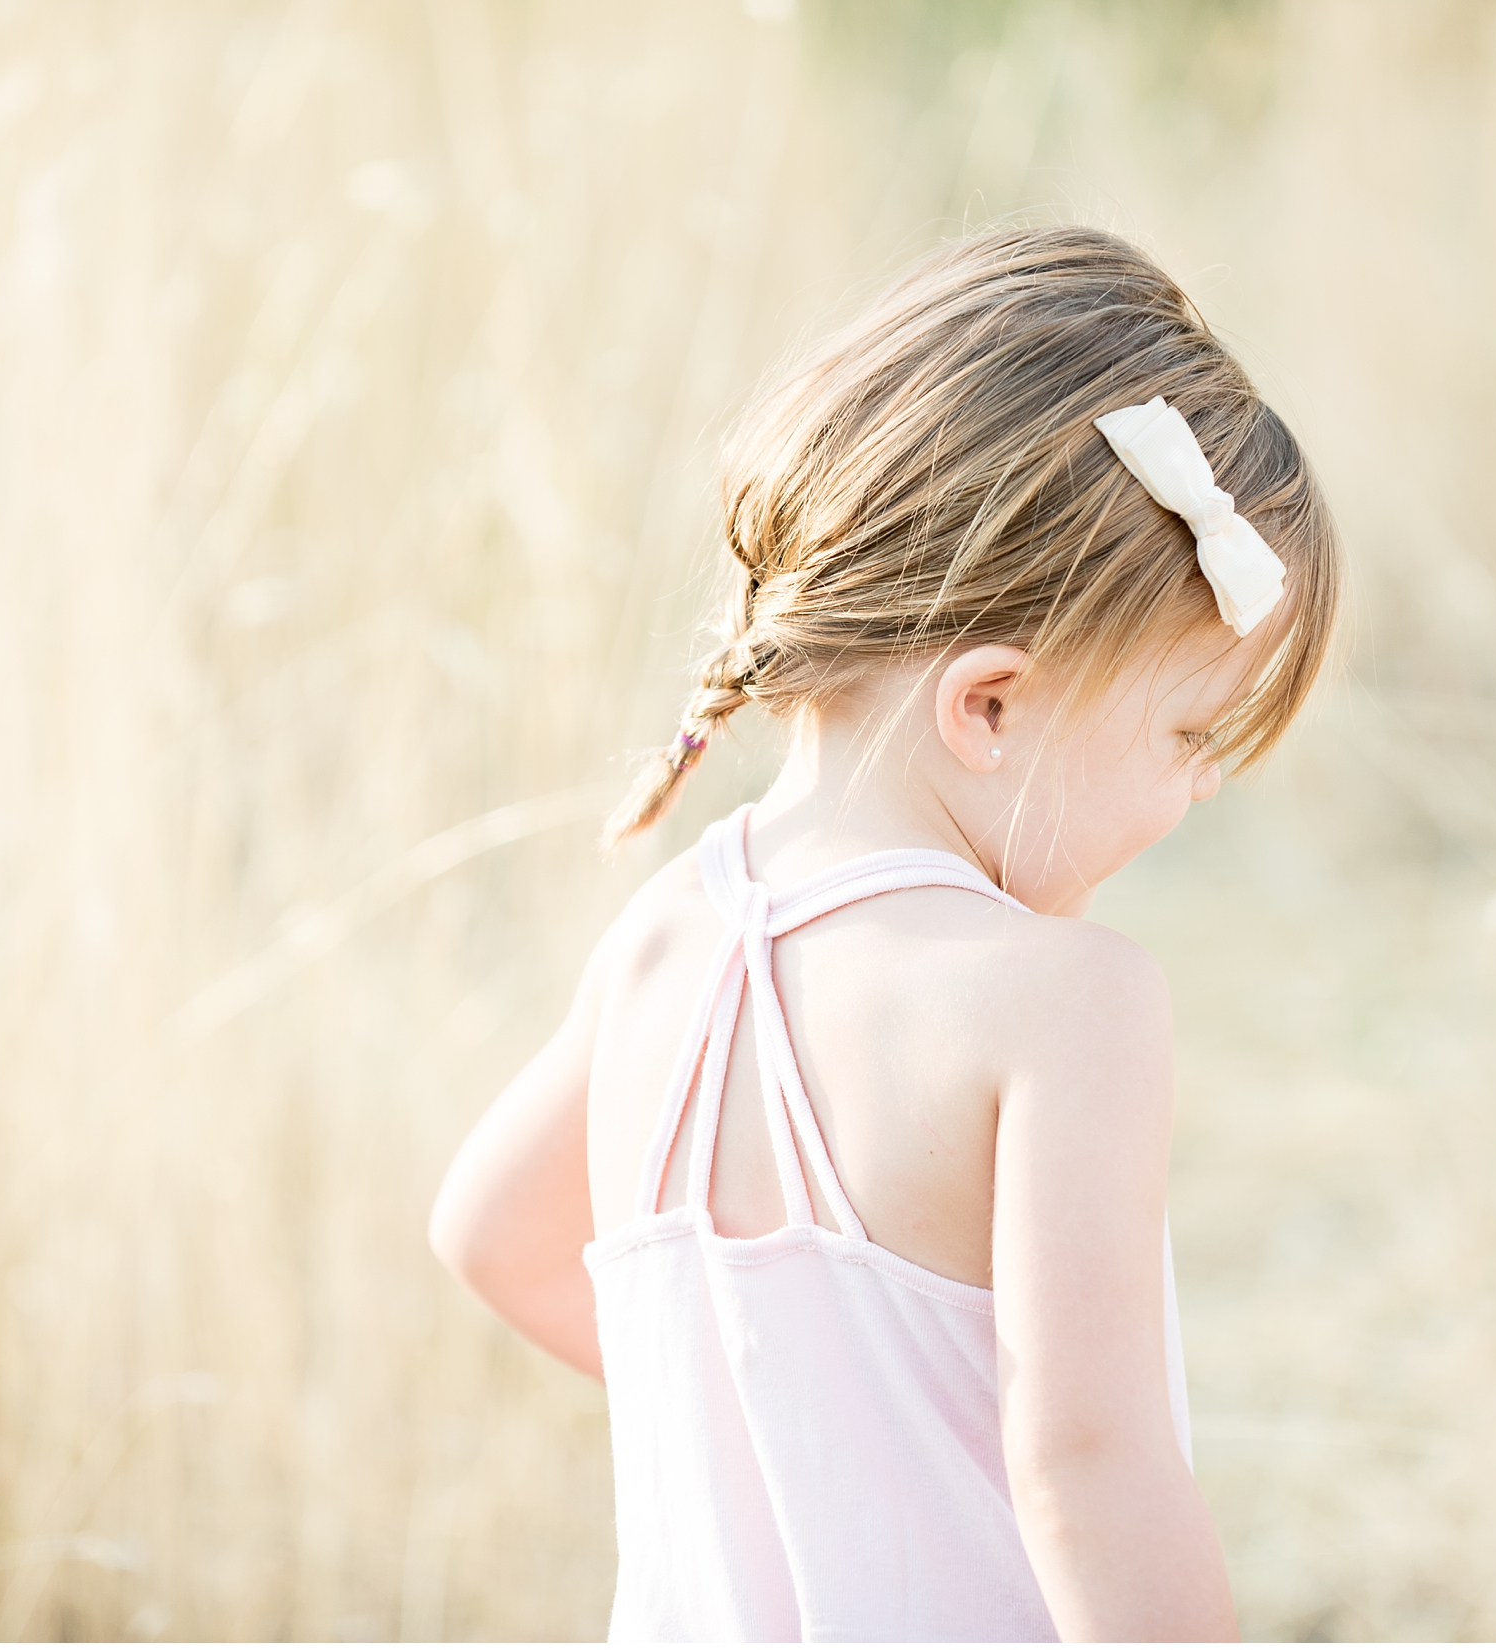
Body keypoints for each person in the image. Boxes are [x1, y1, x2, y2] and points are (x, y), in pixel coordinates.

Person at [429, 225, 1341, 1643]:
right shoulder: (1064, 1001)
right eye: (1187, 730)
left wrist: (797, 1444)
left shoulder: (665, 936)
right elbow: (1089, 1465)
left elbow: (491, 1235)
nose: (1203, 782)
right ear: (988, 705)